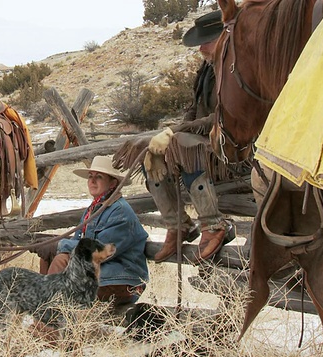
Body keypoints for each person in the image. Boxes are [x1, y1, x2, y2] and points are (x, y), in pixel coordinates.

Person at [143, 10, 237, 263]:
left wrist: (175, 133)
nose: (201, 48)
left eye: (206, 41)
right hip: (204, 140)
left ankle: (213, 224)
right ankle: (178, 226)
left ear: (224, 37)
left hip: (232, 145)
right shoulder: (207, 69)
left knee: (185, 148)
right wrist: (172, 131)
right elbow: (194, 111)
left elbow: (223, 116)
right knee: (148, 154)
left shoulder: (234, 68)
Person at [34, 155, 150, 312]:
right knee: (51, 258)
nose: (92, 181)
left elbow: (100, 251)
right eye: (90, 176)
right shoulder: (95, 209)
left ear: (113, 183)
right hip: (104, 272)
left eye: (99, 177)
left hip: (125, 280)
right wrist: (54, 247)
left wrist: (59, 244)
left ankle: (49, 319)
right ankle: (51, 314)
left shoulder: (120, 211)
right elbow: (78, 243)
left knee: (62, 260)